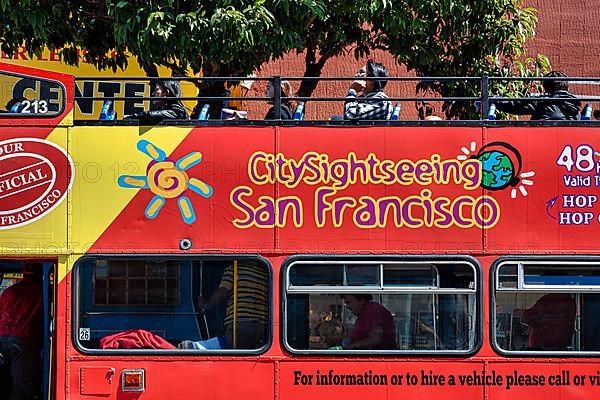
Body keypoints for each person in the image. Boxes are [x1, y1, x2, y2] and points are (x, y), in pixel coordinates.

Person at [199, 260, 268, 349]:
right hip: (261, 325)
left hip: (239, 322)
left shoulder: (235, 269)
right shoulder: (264, 273)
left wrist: (207, 305)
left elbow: (223, 291)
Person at [0, 264, 43, 400]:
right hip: (23, 339)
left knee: (7, 375)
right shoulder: (40, 291)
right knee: (22, 383)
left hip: (3, 337)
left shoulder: (9, 291)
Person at [494, 71, 581, 120]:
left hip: (540, 140)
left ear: (546, 88)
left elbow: (514, 105)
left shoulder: (543, 102)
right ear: (566, 86)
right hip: (568, 147)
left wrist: (493, 100)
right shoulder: (575, 106)